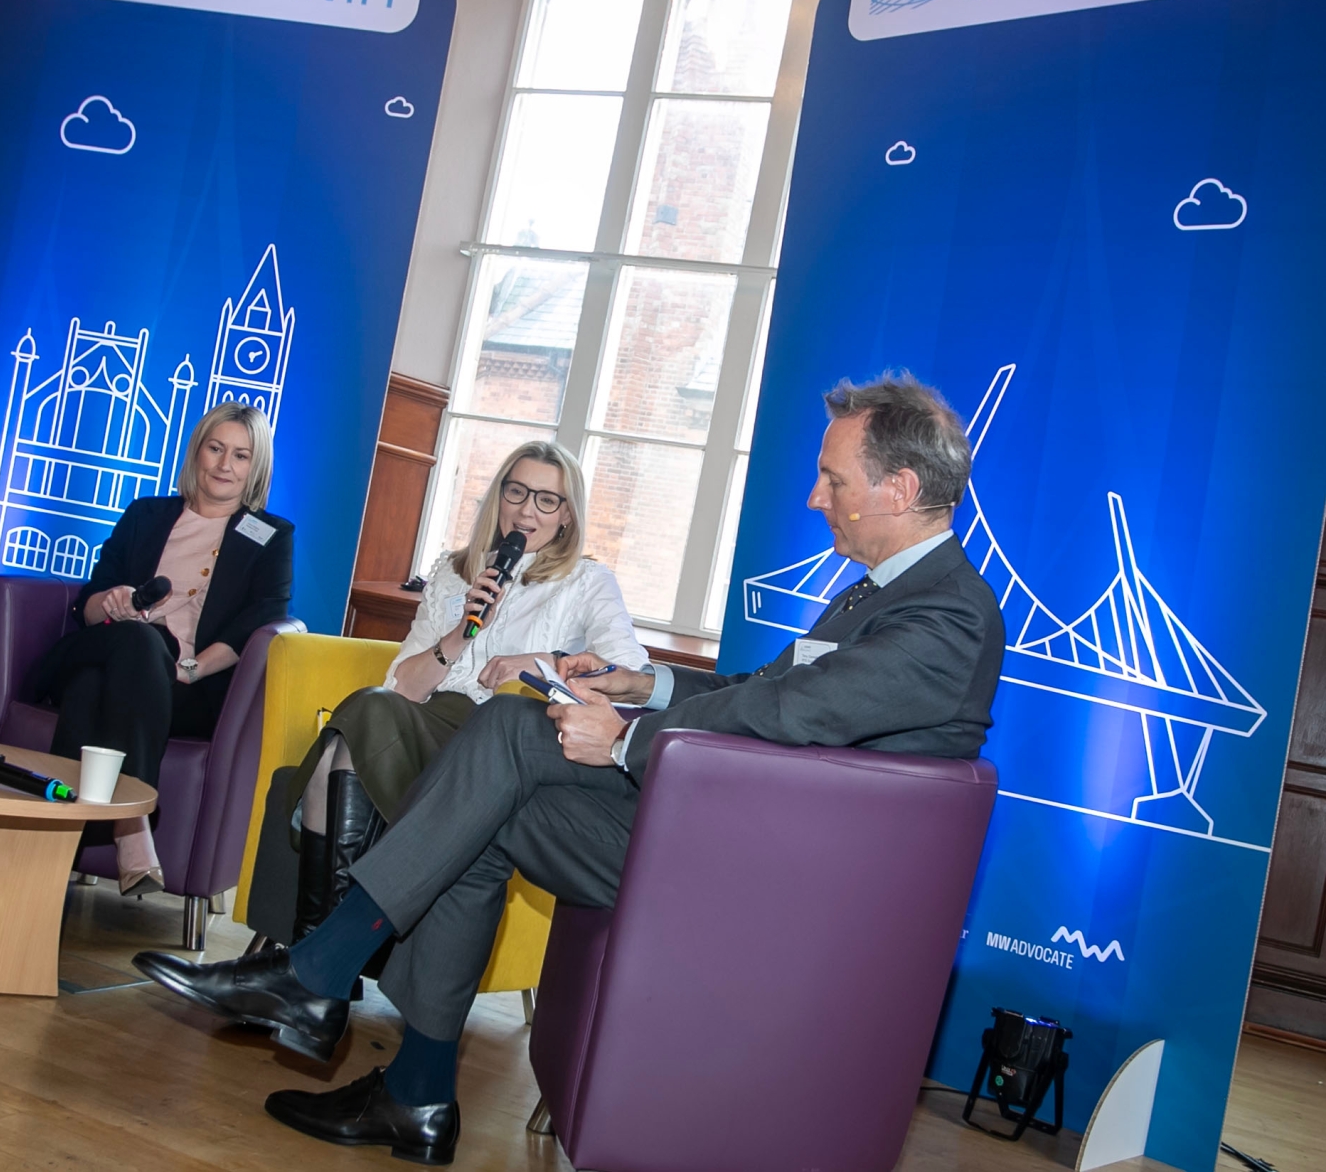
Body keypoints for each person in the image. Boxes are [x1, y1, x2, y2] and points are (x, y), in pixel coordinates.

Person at [133, 373, 1005, 1164]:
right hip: (734, 828)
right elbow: (764, 689)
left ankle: (323, 980)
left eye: (834, 480)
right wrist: (641, 684)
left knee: (500, 752)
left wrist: (623, 738)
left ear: (900, 489)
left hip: (768, 876)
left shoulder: (948, 616)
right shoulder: (879, 593)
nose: (816, 497)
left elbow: (790, 716)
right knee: (492, 778)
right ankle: (413, 1090)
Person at [254, 440, 666, 949]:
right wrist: (461, 633)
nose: (526, 510)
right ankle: (320, 955)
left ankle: (309, 954)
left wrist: (546, 660)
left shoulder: (586, 582)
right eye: (516, 492)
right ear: (498, 496)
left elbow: (631, 674)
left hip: (503, 743)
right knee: (363, 716)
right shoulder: (454, 572)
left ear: (567, 515)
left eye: (546, 500)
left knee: (342, 746)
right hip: (425, 722)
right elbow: (402, 687)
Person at [34, 401, 293, 897]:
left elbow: (261, 621)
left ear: (255, 466)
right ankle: (133, 824)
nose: (224, 465)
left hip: (185, 684)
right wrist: (110, 602)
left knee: (89, 690)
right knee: (137, 638)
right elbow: (88, 603)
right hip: (109, 643)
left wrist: (192, 668)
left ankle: (54, 847)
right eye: (215, 449)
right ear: (196, 451)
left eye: (241, 455)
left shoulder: (270, 536)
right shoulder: (146, 513)